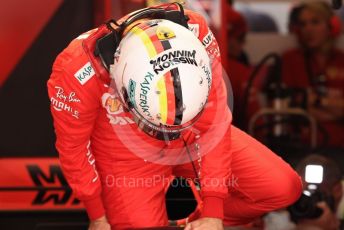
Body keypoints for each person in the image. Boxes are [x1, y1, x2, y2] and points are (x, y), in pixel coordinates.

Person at [47, 3, 302, 230]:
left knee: (282, 187)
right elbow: (73, 148)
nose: (168, 134)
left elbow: (215, 123)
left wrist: (213, 213)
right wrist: (98, 215)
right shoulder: (76, 69)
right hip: (123, 148)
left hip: (194, 132)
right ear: (122, 88)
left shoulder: (197, 33)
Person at [282, 1, 344, 148]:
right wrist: (336, 112)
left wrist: (316, 101)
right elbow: (290, 109)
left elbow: (306, 105)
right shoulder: (290, 60)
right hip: (301, 147)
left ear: (331, 27)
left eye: (315, 22)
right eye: (303, 24)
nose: (308, 29)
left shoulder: (342, 60)